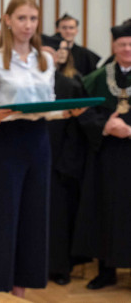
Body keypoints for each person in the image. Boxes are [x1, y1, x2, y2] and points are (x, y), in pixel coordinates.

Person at [0, 0, 61, 298]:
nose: (28, 25)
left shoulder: (45, 60)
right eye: (23, 18)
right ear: (9, 21)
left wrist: (68, 111)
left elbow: (50, 104)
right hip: (7, 143)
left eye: (33, 19)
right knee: (4, 216)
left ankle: (21, 290)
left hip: (39, 140)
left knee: (35, 215)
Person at [72, 23, 131, 290]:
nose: (127, 49)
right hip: (105, 157)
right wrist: (105, 125)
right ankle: (106, 270)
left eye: (130, 44)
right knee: (105, 210)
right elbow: (82, 111)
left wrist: (129, 130)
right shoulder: (97, 78)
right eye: (122, 44)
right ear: (113, 47)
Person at [47, 40, 89, 285]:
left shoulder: (70, 86)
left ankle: (59, 267)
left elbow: (76, 131)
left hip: (59, 165)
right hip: (32, 160)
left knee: (59, 218)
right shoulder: (28, 86)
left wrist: (65, 165)